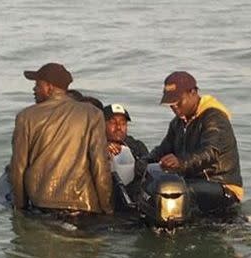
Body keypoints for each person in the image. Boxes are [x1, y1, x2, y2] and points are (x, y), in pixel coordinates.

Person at [9, 63, 113, 216]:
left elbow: (18, 168)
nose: (34, 89)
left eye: (37, 85)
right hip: (84, 205)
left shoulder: (26, 117)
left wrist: (20, 207)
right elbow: (100, 165)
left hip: (42, 204)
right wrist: (107, 208)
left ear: (49, 87)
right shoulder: (93, 114)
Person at [144, 71, 243, 214]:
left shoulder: (214, 117)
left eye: (178, 101)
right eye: (171, 104)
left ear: (193, 92)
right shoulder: (178, 123)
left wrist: (181, 162)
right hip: (192, 181)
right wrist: (143, 163)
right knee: (154, 185)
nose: (174, 107)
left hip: (221, 186)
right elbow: (163, 149)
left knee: (173, 192)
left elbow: (210, 153)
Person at [102, 103, 148, 208]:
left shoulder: (137, 146)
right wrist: (102, 148)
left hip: (131, 197)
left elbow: (149, 167)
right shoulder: (94, 143)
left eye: (123, 123)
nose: (118, 127)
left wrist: (134, 163)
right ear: (101, 124)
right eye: (113, 122)